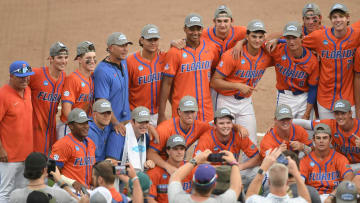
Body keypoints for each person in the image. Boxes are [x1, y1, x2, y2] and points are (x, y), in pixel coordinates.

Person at [210, 19, 273, 144]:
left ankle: (250, 164)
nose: (257, 40)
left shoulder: (266, 55)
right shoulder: (233, 55)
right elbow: (214, 82)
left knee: (251, 141)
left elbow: (282, 37)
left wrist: (277, 40)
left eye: (261, 37)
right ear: (247, 37)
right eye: (254, 36)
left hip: (245, 103)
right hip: (225, 100)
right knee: (225, 141)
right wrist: (238, 86)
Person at [301, 3, 360, 119]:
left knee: (350, 135)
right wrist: (277, 40)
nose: (338, 20)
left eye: (341, 16)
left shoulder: (356, 35)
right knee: (326, 134)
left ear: (347, 18)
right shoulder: (319, 37)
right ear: (330, 20)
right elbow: (297, 41)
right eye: (334, 17)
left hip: (349, 99)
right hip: (325, 100)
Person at [157, 13, 219, 123]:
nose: (195, 32)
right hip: (184, 111)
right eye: (191, 29)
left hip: (206, 110)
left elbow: (215, 70)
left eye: (198, 29)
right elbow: (166, 83)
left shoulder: (211, 48)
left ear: (202, 29)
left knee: (206, 139)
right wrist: (161, 114)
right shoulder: (175, 52)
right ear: (185, 29)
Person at [194, 107, 261, 190]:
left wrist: (239, 166)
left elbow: (258, 159)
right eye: (221, 123)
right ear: (215, 125)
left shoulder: (239, 134)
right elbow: (196, 164)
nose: (225, 126)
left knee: (258, 172)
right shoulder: (206, 138)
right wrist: (221, 170)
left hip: (233, 172)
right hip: (213, 175)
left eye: (228, 123)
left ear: (232, 124)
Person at [0, 60, 34, 202]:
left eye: (27, 76)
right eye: (21, 77)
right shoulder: (2, 95)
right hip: (8, 156)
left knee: (21, 191)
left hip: (26, 154)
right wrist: (1, 150)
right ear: (11, 76)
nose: (25, 79)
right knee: (5, 191)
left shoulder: (28, 91)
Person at [293, 99, 360, 172]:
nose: (340, 117)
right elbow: (306, 124)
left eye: (343, 113)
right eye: (337, 113)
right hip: (342, 165)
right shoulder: (332, 124)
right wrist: (287, 121)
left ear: (350, 113)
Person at [270, 21, 319, 120]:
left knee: (305, 133)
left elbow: (313, 88)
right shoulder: (278, 49)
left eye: (294, 38)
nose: (291, 41)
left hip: (305, 99)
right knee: (283, 130)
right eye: (288, 38)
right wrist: (277, 40)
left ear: (301, 37)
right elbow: (256, 42)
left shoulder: (312, 61)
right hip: (285, 97)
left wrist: (307, 113)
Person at [30, 42, 68, 155]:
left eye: (66, 57)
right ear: (50, 59)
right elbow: (16, 79)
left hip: (51, 130)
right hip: (34, 130)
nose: (64, 61)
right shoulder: (36, 74)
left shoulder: (64, 78)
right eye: (59, 57)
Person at [300, 123, 354, 202]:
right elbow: (300, 181)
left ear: (330, 140)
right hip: (314, 198)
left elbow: (349, 177)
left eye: (325, 138)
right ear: (313, 140)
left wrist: (331, 196)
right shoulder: (305, 160)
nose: (321, 141)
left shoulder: (339, 158)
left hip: (335, 196)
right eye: (318, 138)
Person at [127, 24, 166, 126]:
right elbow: (124, 91)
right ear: (142, 40)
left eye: (155, 39)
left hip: (157, 114)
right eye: (149, 40)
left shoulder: (164, 58)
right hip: (136, 115)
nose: (153, 43)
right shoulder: (130, 61)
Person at [93, 32, 132, 134]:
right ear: (111, 48)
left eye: (126, 45)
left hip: (125, 122)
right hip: (112, 128)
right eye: (121, 46)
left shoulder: (123, 62)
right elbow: (102, 102)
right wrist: (115, 123)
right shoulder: (102, 71)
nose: (125, 49)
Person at [168, 150, 242, 203]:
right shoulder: (223, 201)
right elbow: (236, 187)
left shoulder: (177, 199)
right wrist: (234, 162)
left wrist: (196, 160)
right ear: (214, 185)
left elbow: (175, 177)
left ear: (193, 183)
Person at [50, 108, 96, 192]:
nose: (86, 126)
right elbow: (52, 172)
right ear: (71, 126)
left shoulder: (91, 143)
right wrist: (72, 182)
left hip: (87, 190)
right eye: (81, 123)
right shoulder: (63, 144)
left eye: (86, 123)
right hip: (68, 189)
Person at [58, 41, 96, 138]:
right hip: (70, 127)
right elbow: (67, 111)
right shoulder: (73, 79)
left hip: (81, 127)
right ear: (79, 59)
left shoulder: (91, 77)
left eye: (94, 58)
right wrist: (76, 128)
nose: (92, 61)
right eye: (88, 58)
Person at [245, 148, 310, 202]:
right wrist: (296, 173)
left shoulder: (257, 201)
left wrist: (263, 167)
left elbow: (249, 196)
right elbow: (306, 200)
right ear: (287, 182)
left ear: (269, 182)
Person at [9, 152, 79, 203]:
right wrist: (62, 183)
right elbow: (80, 201)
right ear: (44, 170)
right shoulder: (60, 195)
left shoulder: (15, 196)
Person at [146, 134, 193, 203]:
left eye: (182, 149)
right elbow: (149, 199)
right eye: (175, 149)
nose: (179, 152)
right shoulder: (154, 173)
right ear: (168, 151)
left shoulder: (191, 168)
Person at [106, 106, 154, 171]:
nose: (144, 125)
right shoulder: (118, 136)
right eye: (140, 122)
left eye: (146, 122)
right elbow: (109, 168)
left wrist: (146, 164)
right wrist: (127, 171)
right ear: (132, 122)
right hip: (119, 179)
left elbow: (140, 163)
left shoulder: (145, 137)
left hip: (135, 177)